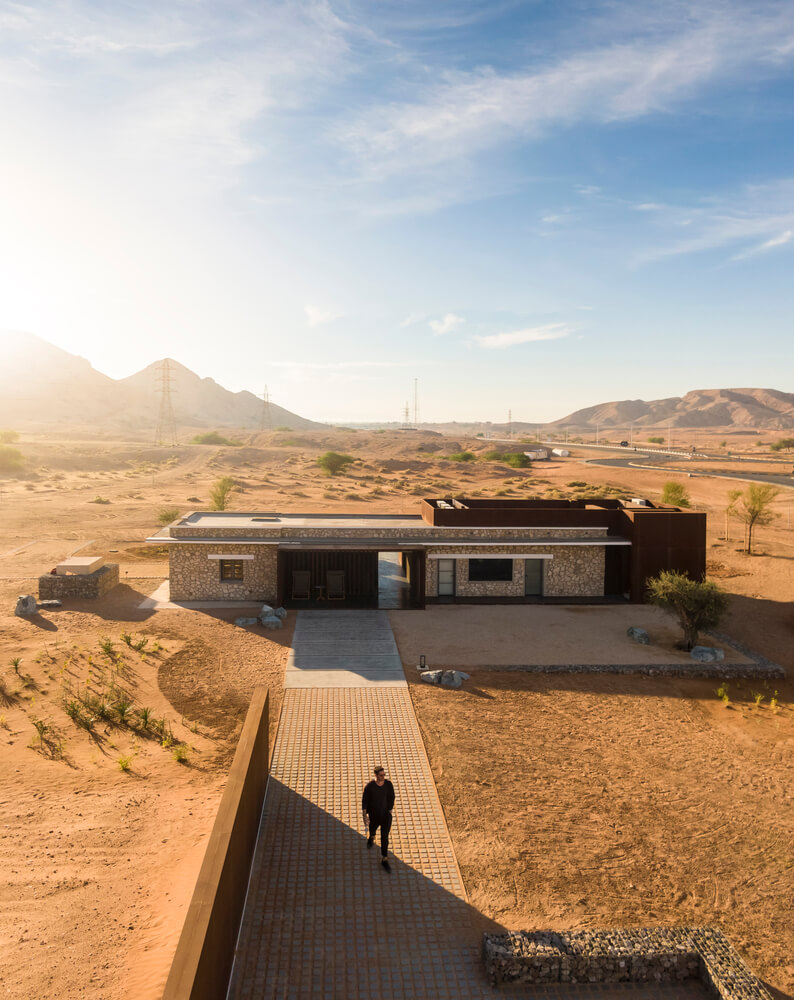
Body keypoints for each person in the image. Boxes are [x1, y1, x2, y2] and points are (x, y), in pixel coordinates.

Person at [362, 765, 395, 873]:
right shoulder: (370, 786)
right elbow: (365, 800)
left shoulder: (388, 785)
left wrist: (390, 809)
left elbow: (392, 796)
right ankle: (371, 837)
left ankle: (384, 858)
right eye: (381, 775)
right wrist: (364, 815)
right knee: (372, 829)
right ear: (375, 775)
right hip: (374, 816)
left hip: (386, 816)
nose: (383, 776)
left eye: (384, 774)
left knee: (384, 837)